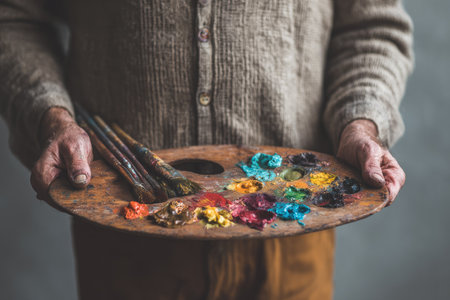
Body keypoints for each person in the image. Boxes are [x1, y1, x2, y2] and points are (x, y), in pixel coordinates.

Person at [0, 0, 412, 299]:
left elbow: (372, 28)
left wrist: (361, 122)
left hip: (289, 232)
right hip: (125, 237)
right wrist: (52, 116)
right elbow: (14, 18)